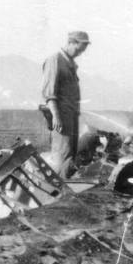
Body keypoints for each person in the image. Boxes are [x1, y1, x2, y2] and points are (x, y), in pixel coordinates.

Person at [41, 31, 90, 179]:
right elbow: (49, 93)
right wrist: (56, 116)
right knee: (61, 158)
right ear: (70, 42)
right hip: (61, 119)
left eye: (82, 50)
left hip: (71, 118)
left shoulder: (70, 63)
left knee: (69, 158)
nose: (80, 53)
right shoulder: (55, 60)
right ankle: (56, 195)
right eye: (78, 49)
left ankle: (64, 191)